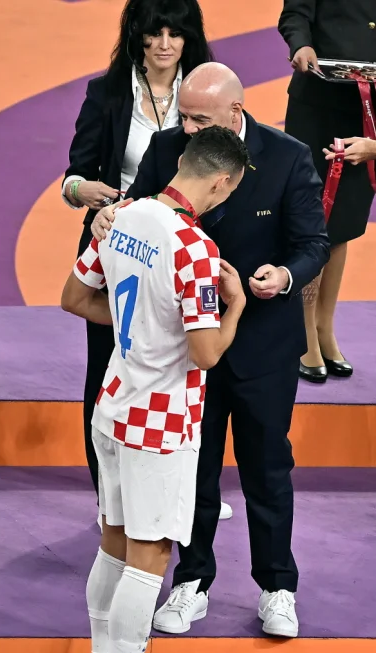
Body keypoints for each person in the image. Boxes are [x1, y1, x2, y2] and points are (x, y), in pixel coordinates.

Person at [89, 62, 331, 638]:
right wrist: (108, 215)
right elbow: (142, 217)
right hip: (187, 349)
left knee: (267, 467)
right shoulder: (170, 148)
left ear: (235, 112)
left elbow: (313, 242)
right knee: (191, 474)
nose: (189, 129)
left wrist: (286, 277)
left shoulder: (288, 155)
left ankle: (277, 586)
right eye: (185, 116)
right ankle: (192, 579)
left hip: (261, 347)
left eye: (201, 118)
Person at [61, 125, 248, 653]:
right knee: (150, 556)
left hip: (112, 404)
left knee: (113, 543)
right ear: (222, 182)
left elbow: (74, 298)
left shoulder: (124, 215)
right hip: (161, 422)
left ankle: (104, 645)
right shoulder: (196, 248)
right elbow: (206, 353)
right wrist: (236, 306)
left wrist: (139, 326)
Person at [61, 0, 234, 519]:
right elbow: (73, 174)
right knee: (109, 369)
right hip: (120, 242)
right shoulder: (107, 93)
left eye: (175, 34)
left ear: (188, 39)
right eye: (154, 34)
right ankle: (108, 497)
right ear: (136, 36)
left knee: (192, 373)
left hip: (185, 254)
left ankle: (189, 488)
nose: (164, 44)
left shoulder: (207, 90)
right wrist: (83, 191)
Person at [279, 0, 376, 382]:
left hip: (368, 110)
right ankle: (303, 333)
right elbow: (295, 13)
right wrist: (301, 45)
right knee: (312, 221)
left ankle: (325, 327)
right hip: (319, 105)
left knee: (345, 224)